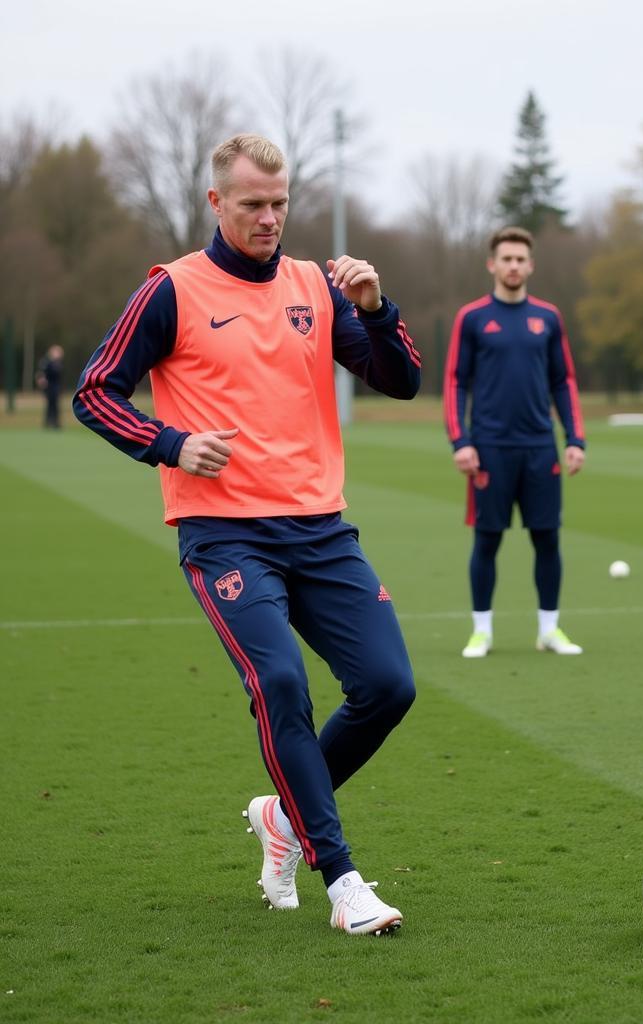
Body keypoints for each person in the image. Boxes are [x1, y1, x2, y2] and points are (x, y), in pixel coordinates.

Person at [74, 134, 422, 935]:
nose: (269, 218)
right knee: (283, 684)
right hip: (227, 537)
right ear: (216, 203)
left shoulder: (314, 285)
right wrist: (170, 443)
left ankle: (281, 817)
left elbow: (399, 381)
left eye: (280, 203)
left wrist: (375, 307)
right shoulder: (173, 289)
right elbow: (95, 391)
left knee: (389, 688)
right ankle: (342, 882)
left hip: (321, 530)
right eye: (252, 204)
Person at [444, 226, 586, 659]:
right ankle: (481, 631)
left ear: (531, 265)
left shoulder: (548, 318)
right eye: (506, 259)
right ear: (492, 264)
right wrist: (460, 441)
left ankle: (549, 629)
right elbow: (455, 382)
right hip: (489, 450)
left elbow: (564, 381)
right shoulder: (471, 318)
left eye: (520, 259)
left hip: (540, 448)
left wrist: (574, 438)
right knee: (487, 541)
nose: (513, 266)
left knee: (547, 539)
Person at [36, 344, 64, 429]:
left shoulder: (58, 363)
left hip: (56, 387)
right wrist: (41, 380)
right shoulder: (46, 362)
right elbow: (41, 374)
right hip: (49, 387)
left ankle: (56, 423)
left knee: (55, 405)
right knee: (49, 405)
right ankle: (48, 422)